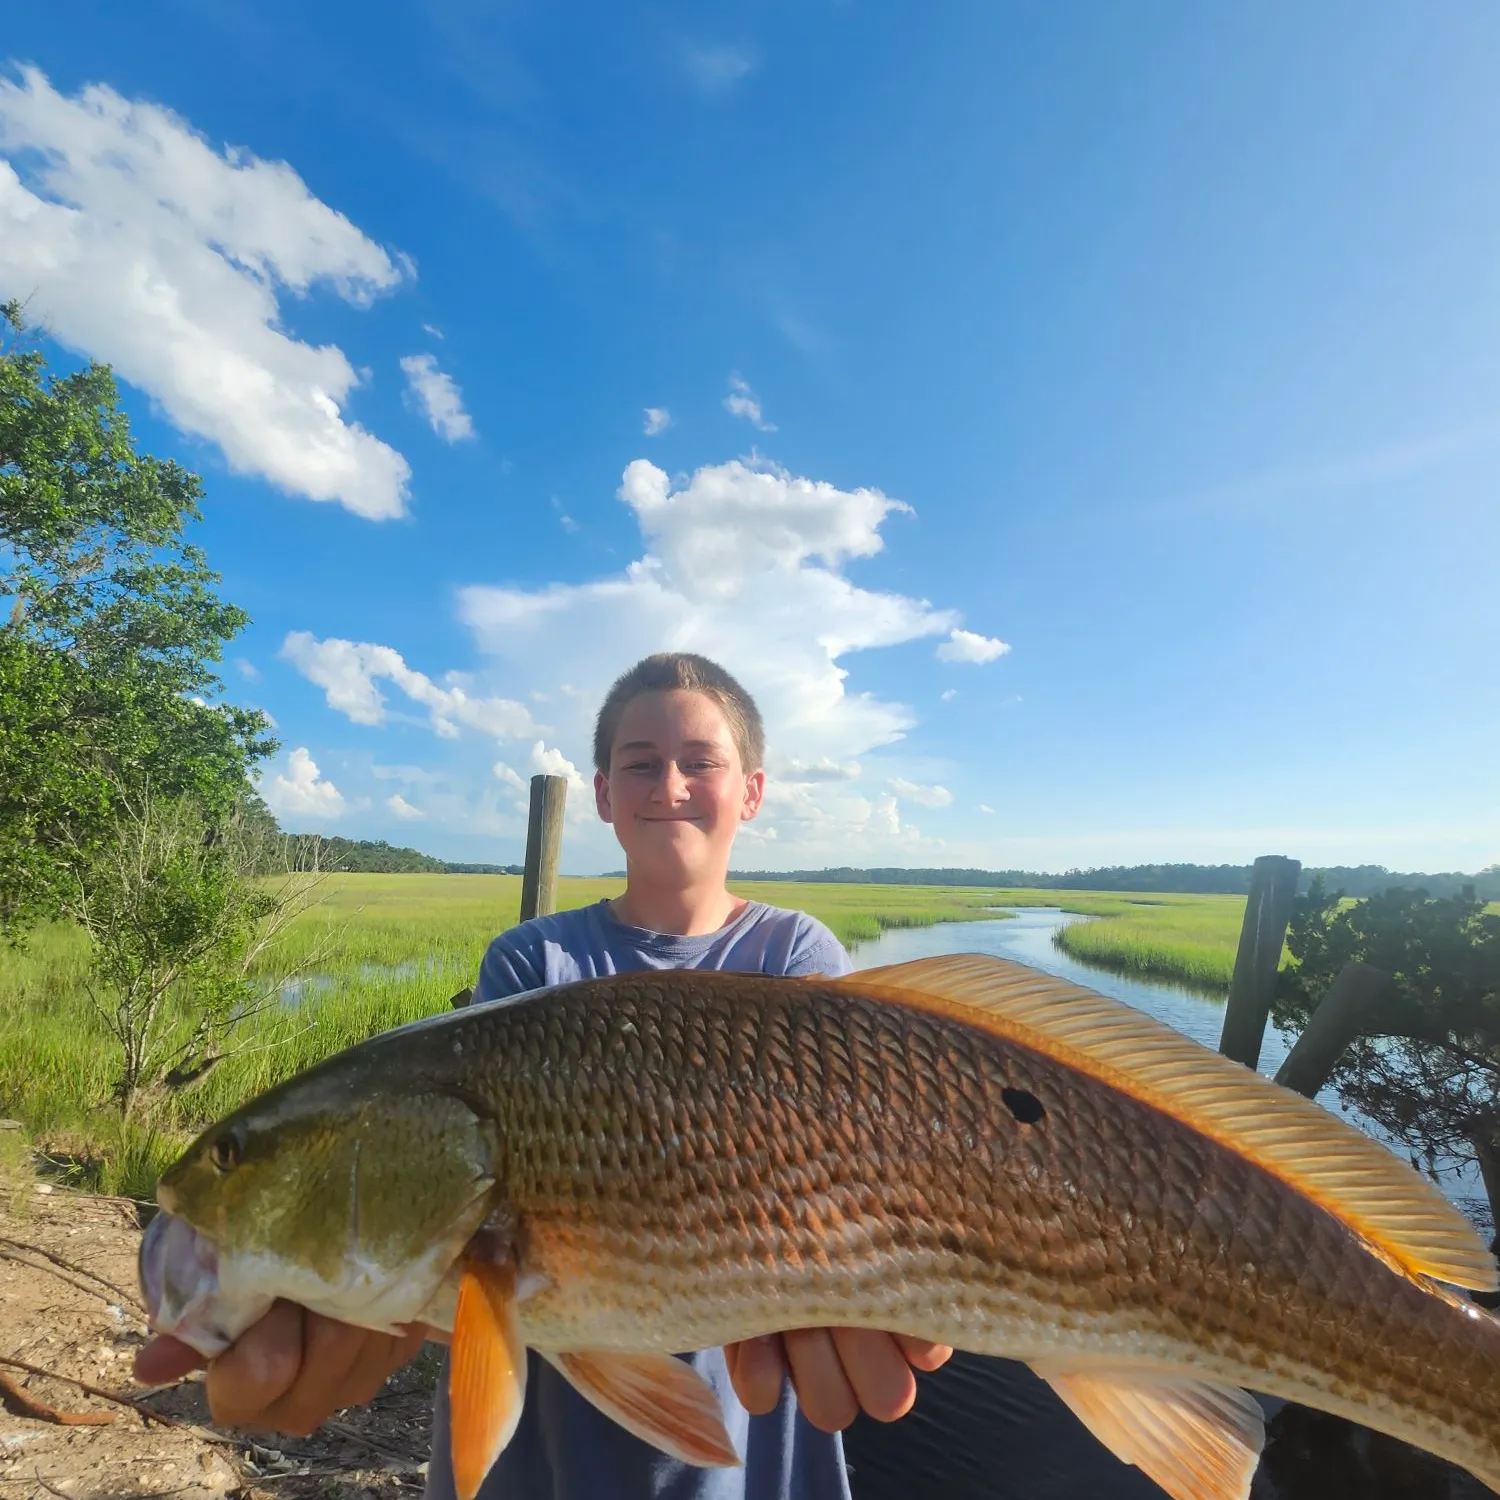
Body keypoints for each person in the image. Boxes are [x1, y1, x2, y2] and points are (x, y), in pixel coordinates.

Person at [135, 651, 951, 1498]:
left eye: (700, 762)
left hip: (748, 1408)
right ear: (602, 793)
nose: (668, 784)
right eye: (640, 763)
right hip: (552, 1448)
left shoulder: (796, 954)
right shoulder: (535, 958)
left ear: (750, 791)